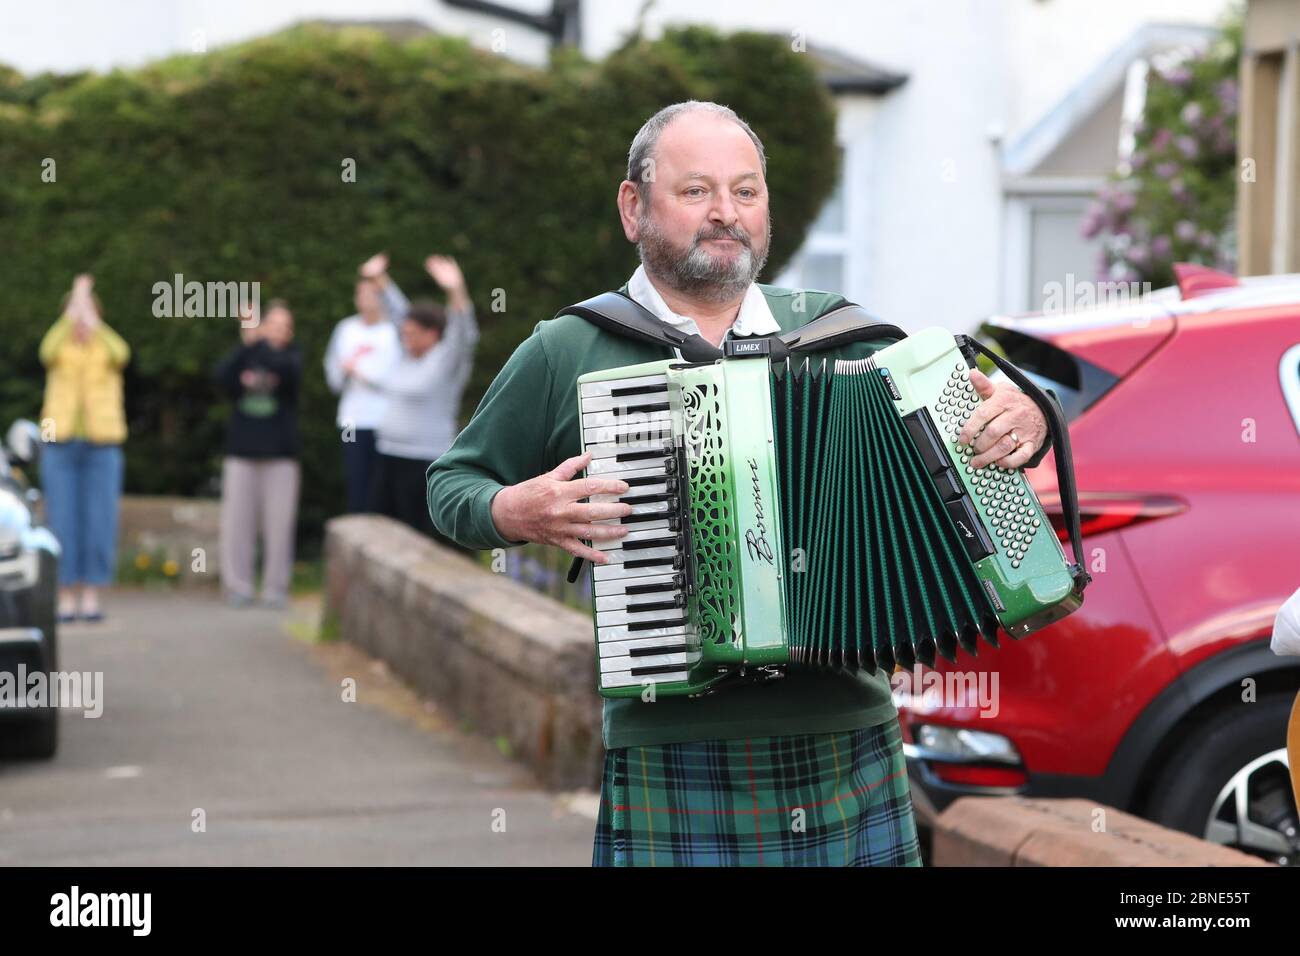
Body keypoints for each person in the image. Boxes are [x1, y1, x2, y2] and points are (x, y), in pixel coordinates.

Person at [428, 101, 1055, 867]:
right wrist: (513, 508)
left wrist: (1031, 418)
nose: (726, 213)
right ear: (635, 207)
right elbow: (452, 484)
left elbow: (985, 442)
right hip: (673, 744)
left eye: (746, 192)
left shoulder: (849, 338)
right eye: (696, 191)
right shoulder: (572, 349)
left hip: (844, 736)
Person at [343, 255, 478, 544]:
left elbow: (464, 333)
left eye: (412, 334)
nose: (404, 338)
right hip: (388, 456)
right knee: (380, 535)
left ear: (432, 334)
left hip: (424, 463)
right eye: (403, 333)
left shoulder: (446, 360)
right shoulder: (406, 356)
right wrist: (380, 280)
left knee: (417, 542)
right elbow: (398, 313)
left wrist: (455, 290)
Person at [38, 273, 129, 623]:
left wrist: (93, 320)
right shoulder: (59, 349)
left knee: (99, 520)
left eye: (86, 311)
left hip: (102, 445)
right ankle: (64, 594)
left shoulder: (105, 349)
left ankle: (91, 593)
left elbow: (123, 352)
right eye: (74, 312)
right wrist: (75, 299)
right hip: (58, 444)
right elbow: (45, 350)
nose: (80, 318)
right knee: (60, 520)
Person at [213, 300, 302, 608]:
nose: (278, 331)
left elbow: (284, 371)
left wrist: (255, 338)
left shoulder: (291, 357)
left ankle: (275, 588)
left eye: (284, 326)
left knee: (279, 526)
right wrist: (246, 343)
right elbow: (221, 377)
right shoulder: (246, 354)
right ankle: (239, 586)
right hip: (242, 453)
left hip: (281, 456)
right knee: (237, 524)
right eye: (272, 324)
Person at [323, 254, 406, 513]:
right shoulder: (345, 329)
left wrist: (362, 374)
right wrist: (345, 372)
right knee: (357, 482)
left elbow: (396, 380)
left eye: (370, 293)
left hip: (386, 421)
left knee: (382, 487)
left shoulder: (395, 331)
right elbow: (333, 374)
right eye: (360, 294)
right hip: (353, 420)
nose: (364, 299)